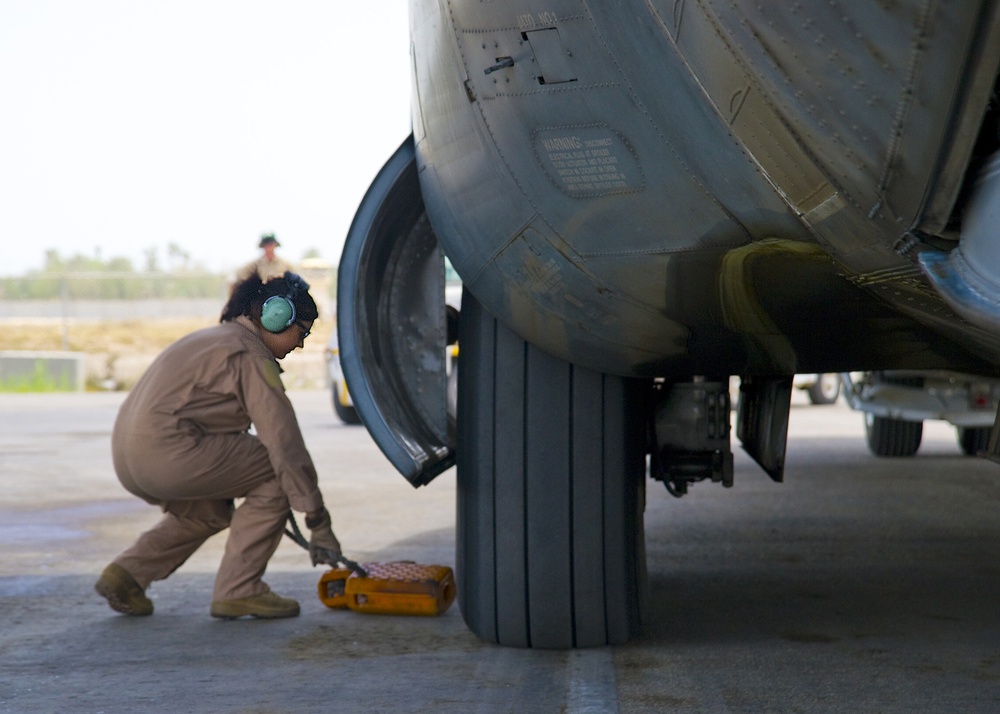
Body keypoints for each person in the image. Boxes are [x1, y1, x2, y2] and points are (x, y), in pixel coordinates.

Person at [94, 271, 342, 619]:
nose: (300, 344)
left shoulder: (213, 338)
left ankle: (127, 575)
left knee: (207, 511)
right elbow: (283, 442)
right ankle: (239, 589)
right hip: (171, 456)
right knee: (277, 472)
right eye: (301, 332)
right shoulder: (251, 354)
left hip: (129, 459)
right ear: (275, 319)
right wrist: (318, 521)